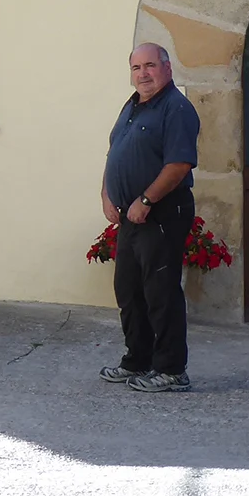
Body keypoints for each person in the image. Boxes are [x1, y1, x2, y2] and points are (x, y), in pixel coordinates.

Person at [98, 43, 201, 393]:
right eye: (136, 67)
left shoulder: (176, 108)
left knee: (160, 291)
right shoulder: (132, 106)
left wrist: (145, 199)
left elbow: (179, 164)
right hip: (131, 215)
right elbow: (115, 152)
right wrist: (106, 194)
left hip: (162, 213)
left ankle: (171, 369)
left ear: (167, 68)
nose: (143, 74)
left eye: (150, 66)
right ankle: (137, 360)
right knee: (128, 290)